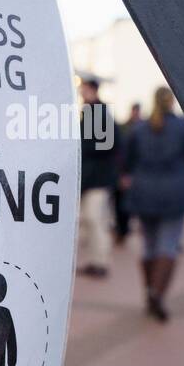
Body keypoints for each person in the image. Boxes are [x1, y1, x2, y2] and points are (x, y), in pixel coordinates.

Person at [120, 86, 184, 322]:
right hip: (175, 193)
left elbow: (126, 161)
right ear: (172, 102)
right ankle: (157, 293)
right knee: (168, 245)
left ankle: (150, 292)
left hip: (144, 191)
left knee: (148, 246)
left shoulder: (139, 129)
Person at [77, 75, 119, 277]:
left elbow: (110, 143)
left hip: (98, 178)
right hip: (91, 178)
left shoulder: (100, 112)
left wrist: (82, 146)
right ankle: (95, 261)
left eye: (84, 88)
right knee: (89, 219)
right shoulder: (90, 112)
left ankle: (100, 262)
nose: (81, 92)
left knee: (94, 219)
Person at [114, 102, 142, 246]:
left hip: (137, 173)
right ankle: (122, 230)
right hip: (124, 171)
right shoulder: (124, 127)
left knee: (130, 204)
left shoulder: (144, 128)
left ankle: (124, 230)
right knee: (120, 203)